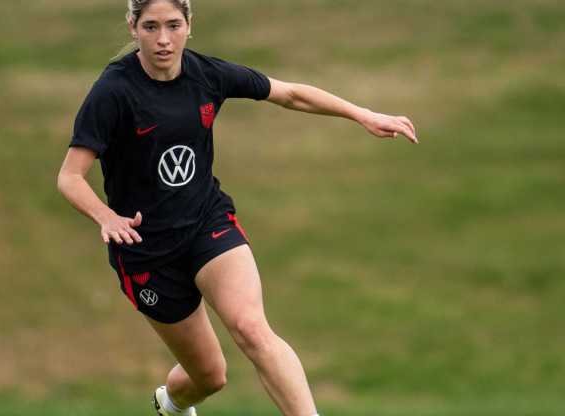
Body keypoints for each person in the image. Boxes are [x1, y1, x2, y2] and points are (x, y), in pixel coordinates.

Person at [57, 1, 417, 415]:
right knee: (210, 376)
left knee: (251, 327)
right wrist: (106, 216)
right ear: (132, 27)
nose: (163, 40)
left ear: (190, 25)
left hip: (206, 224)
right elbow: (70, 176)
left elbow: (291, 95)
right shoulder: (114, 91)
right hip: (147, 250)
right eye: (151, 27)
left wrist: (363, 114)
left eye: (174, 25)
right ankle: (170, 404)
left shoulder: (207, 74)